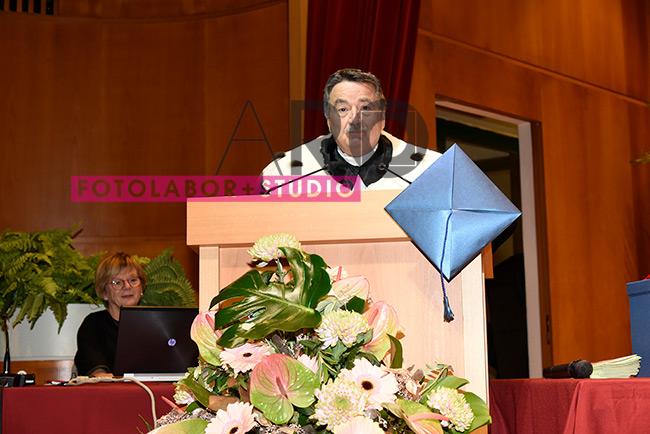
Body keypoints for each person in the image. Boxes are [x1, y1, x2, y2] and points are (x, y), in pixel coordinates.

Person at [262, 68, 440, 190]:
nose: (355, 119)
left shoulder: (429, 172)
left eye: (366, 108)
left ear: (382, 117)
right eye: (343, 109)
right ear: (328, 119)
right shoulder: (284, 175)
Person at [74, 252, 146, 377]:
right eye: (117, 282)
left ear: (141, 289)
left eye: (133, 280)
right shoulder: (93, 324)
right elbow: (98, 374)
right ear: (104, 293)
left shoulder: (156, 323)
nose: (127, 286)